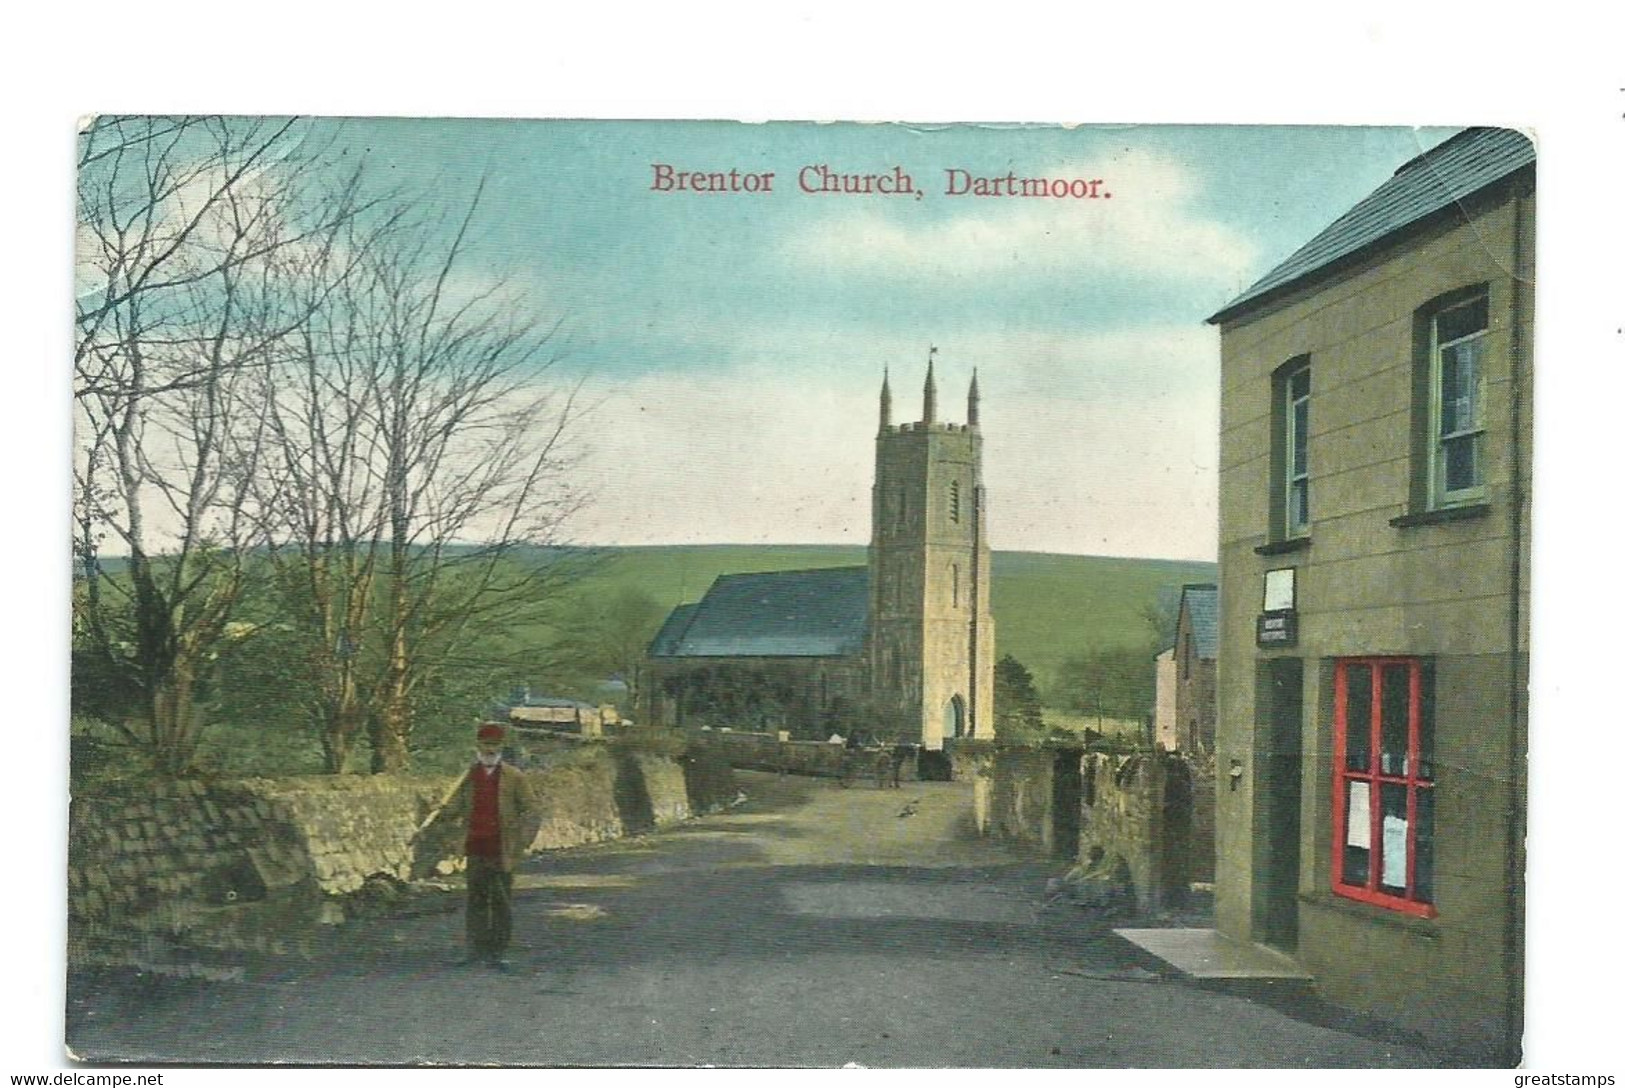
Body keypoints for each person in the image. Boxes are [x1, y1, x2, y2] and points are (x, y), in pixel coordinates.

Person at [443, 722, 539, 970]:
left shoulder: (514, 777)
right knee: (475, 901)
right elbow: (452, 808)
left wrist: (522, 842)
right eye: (485, 744)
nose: (489, 749)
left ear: (501, 747)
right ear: (478, 745)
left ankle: (498, 953)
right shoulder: (468, 776)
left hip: (502, 849)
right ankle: (475, 951)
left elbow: (531, 811)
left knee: (500, 901)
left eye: (494, 745)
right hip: (475, 847)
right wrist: (441, 811)